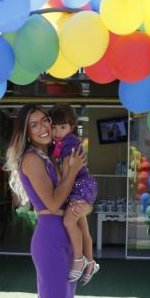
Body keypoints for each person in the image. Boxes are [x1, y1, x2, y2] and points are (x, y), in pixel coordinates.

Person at [3, 104, 90, 298]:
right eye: (33, 124)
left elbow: (70, 200)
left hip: (64, 239)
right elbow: (54, 202)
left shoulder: (46, 156)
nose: (41, 127)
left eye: (45, 121)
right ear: (25, 132)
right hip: (50, 239)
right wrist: (70, 173)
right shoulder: (30, 158)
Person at [49, 103, 100, 284]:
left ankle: (79, 259)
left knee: (69, 221)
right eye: (54, 127)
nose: (57, 131)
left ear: (71, 127)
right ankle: (91, 263)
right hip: (84, 185)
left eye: (62, 127)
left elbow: (65, 175)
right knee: (83, 227)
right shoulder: (65, 143)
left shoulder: (68, 145)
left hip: (78, 187)